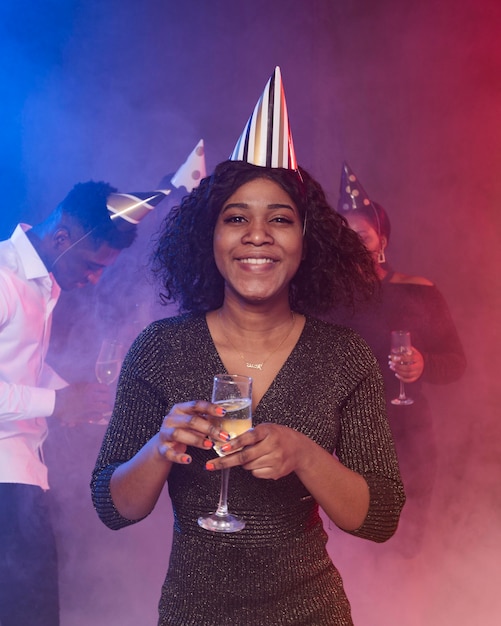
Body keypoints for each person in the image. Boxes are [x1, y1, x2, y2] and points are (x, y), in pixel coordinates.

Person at [91, 68, 405, 625]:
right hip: (194, 612)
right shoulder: (161, 349)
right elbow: (114, 508)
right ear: (209, 239)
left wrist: (305, 454)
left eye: (279, 220)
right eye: (236, 218)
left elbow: (379, 518)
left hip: (312, 613)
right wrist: (159, 446)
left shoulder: (343, 356)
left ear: (306, 243)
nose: (256, 235)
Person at [0, 180, 167, 625]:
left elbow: (17, 371)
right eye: (91, 265)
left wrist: (78, 395)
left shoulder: (40, 285)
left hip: (23, 476)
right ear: (61, 236)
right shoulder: (2, 277)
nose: (94, 279)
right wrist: (57, 404)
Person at [331, 162, 466, 556]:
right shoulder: (322, 299)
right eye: (343, 235)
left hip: (409, 435)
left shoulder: (418, 291)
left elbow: (457, 362)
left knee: (408, 541)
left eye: (362, 233)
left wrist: (424, 364)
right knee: (351, 551)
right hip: (343, 439)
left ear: (382, 239)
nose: (353, 243)